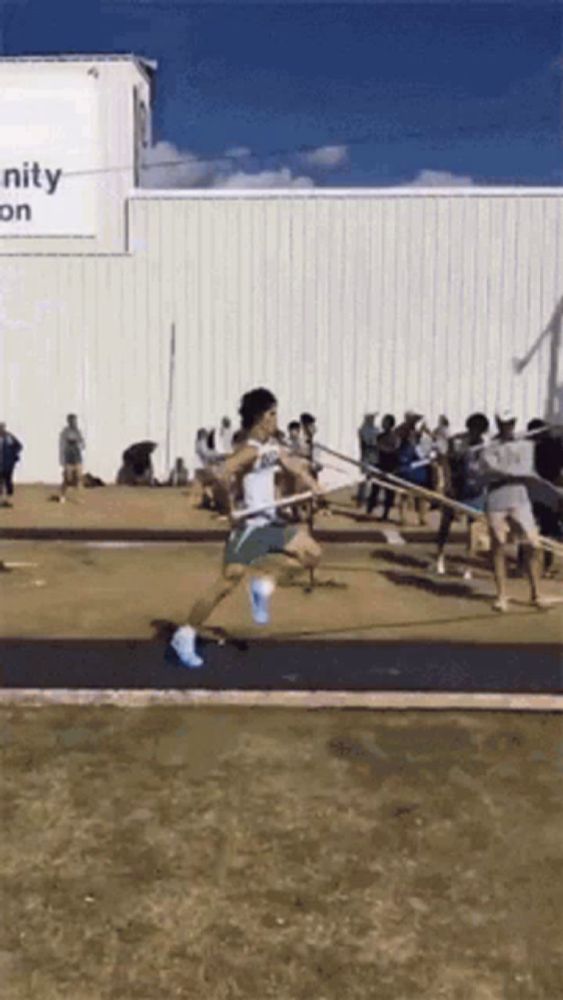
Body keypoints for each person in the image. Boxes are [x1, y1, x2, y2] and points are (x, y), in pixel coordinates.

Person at [168, 387, 323, 668]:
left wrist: (314, 487)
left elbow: (294, 467)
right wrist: (229, 507)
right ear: (261, 418)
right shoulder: (250, 449)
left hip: (270, 522)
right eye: (273, 414)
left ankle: (263, 587)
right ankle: (185, 633)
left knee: (310, 554)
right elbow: (220, 472)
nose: (277, 419)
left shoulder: (272, 447)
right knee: (226, 583)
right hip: (249, 528)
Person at [479, 409, 554, 612]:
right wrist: (503, 469)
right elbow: (487, 473)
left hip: (519, 498)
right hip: (496, 499)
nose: (508, 426)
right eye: (504, 422)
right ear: (498, 422)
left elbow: (524, 471)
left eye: (511, 422)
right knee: (499, 545)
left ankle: (536, 593)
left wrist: (504, 469)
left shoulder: (524, 445)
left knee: (533, 544)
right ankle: (502, 595)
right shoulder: (488, 447)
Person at [435, 413, 490, 577]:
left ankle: (468, 564)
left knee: (473, 528)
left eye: (481, 430)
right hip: (456, 489)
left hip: (475, 491)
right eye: (475, 429)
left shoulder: (483, 445)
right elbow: (445, 461)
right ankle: (439, 557)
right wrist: (447, 483)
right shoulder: (457, 442)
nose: (477, 433)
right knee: (445, 523)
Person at [516, 419, 562, 578]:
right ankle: (526, 565)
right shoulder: (529, 447)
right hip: (535, 492)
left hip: (546, 492)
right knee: (532, 529)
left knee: (543, 529)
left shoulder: (552, 445)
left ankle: (539, 565)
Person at [367, 414, 400, 519]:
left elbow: (394, 451)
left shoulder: (395, 438)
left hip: (390, 468)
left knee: (389, 492)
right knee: (375, 489)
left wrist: (380, 448)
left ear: (390, 424)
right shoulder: (379, 436)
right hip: (379, 466)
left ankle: (386, 513)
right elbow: (375, 452)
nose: (382, 424)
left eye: (385, 422)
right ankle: (370, 510)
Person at [59, 414, 85, 503]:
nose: (74, 422)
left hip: (77, 457)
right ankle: (62, 495)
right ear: (69, 421)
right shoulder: (65, 432)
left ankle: (79, 497)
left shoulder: (78, 431)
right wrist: (62, 459)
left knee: (79, 477)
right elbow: (62, 445)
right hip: (68, 458)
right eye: (72, 420)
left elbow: (82, 442)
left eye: (75, 420)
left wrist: (81, 443)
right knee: (68, 478)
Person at [357, 413, 379, 508]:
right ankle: (361, 499)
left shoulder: (376, 429)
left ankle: (372, 500)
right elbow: (368, 442)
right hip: (366, 457)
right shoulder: (363, 430)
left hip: (374, 457)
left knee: (374, 480)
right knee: (364, 479)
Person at [0, 423, 23, 508]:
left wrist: (13, 456)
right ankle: (1, 500)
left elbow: (19, 446)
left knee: (8, 481)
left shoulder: (9, 437)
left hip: (8, 464)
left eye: (2, 428)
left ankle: (7, 500)